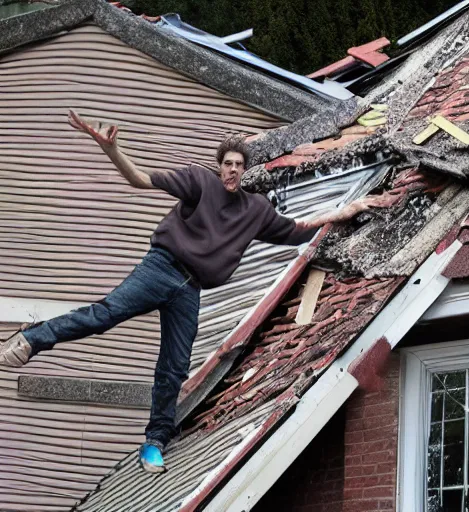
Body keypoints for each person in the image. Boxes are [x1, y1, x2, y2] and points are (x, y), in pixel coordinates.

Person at [0, 110, 397, 472]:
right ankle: (31, 340)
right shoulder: (198, 181)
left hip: (190, 289)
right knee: (106, 314)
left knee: (174, 365)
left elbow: (296, 229)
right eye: (227, 164)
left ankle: (155, 441)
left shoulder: (255, 210)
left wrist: (346, 210)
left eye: (239, 166)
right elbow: (141, 180)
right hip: (160, 268)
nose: (232, 171)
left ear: (245, 171)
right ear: (218, 165)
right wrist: (112, 149)